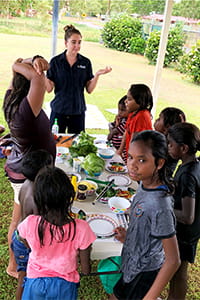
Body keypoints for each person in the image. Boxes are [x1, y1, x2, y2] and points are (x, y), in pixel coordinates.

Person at [110, 130, 180, 300]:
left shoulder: (159, 205)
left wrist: (149, 297)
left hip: (144, 273)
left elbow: (173, 260)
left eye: (142, 160)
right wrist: (130, 237)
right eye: (130, 157)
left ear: (160, 163)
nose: (132, 165)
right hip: (131, 263)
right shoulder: (144, 183)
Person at [3, 56, 56, 278]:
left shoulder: (12, 97)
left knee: (23, 220)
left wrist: (30, 60)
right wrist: (18, 65)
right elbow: (35, 76)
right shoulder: (26, 110)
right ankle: (14, 266)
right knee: (21, 222)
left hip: (24, 167)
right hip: (27, 174)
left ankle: (20, 262)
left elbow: (22, 65)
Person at [17, 166, 96, 300]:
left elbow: (24, 239)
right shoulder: (82, 228)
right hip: (65, 286)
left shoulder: (30, 223)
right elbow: (86, 270)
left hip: (35, 282)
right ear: (70, 196)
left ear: (39, 199)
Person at [46, 24, 112, 134]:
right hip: (59, 110)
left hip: (77, 111)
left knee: (77, 145)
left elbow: (89, 90)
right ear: (66, 43)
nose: (77, 45)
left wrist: (97, 75)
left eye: (79, 42)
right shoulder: (55, 62)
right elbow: (49, 89)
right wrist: (40, 74)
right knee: (54, 143)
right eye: (73, 42)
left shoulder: (85, 62)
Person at [11, 149, 53, 300]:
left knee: (25, 272)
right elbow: (36, 229)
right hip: (26, 242)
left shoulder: (26, 184)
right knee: (25, 276)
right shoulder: (37, 197)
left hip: (19, 237)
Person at [167, 122, 200, 300]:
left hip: (185, 233)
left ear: (183, 148)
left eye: (170, 144)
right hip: (190, 231)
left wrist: (165, 208)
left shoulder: (188, 174)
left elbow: (187, 216)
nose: (168, 147)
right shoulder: (191, 164)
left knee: (179, 272)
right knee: (177, 269)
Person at [117, 84, 153, 163]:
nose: (125, 101)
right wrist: (120, 150)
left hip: (139, 157)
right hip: (132, 154)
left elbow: (135, 140)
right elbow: (126, 133)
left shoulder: (142, 116)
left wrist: (130, 159)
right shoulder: (133, 113)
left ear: (140, 101)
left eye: (129, 99)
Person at [154, 106, 186, 176]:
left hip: (159, 179)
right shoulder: (159, 138)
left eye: (159, 119)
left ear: (167, 127)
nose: (156, 120)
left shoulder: (170, 145)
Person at [107, 95, 128, 159]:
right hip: (114, 147)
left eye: (122, 110)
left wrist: (112, 132)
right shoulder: (120, 119)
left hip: (121, 151)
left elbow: (113, 132)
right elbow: (111, 127)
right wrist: (116, 124)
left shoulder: (127, 122)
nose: (119, 112)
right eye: (119, 109)